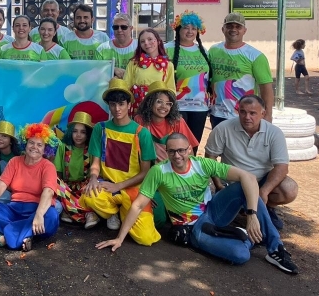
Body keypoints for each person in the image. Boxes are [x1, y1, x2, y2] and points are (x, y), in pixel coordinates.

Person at [96, 133, 299, 275]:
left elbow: (247, 177)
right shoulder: (159, 172)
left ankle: (275, 249)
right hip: (193, 226)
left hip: (213, 211)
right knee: (241, 255)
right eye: (172, 151)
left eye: (182, 151)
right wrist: (120, 238)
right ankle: (240, 237)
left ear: (190, 150)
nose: (177, 156)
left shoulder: (202, 164)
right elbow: (138, 205)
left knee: (243, 186)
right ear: (166, 152)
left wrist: (252, 215)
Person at [80, 78, 159, 245]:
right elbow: (95, 163)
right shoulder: (100, 129)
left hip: (132, 189)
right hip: (107, 185)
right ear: (108, 105)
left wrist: (120, 186)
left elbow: (145, 172)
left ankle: (124, 212)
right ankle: (114, 212)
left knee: (145, 238)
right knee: (89, 195)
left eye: (121, 104)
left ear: (129, 105)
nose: (117, 109)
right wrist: (93, 178)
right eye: (113, 104)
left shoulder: (141, 133)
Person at [205, 95, 297, 231]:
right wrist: (218, 184)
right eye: (243, 112)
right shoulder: (223, 129)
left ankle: (266, 207)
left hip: (262, 180)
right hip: (234, 182)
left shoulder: (274, 133)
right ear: (238, 111)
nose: (247, 117)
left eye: (252, 113)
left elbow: (282, 167)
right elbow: (210, 158)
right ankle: (246, 208)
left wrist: (264, 191)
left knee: (289, 189)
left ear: (263, 113)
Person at [0, 123, 60, 251]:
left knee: (51, 216)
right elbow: (1, 184)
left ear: (46, 149)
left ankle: (6, 238)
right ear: (25, 143)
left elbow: (48, 191)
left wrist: (39, 215)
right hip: (14, 209)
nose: (34, 147)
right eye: (31, 143)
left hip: (37, 209)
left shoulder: (48, 166)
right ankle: (27, 234)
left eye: (40, 145)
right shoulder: (14, 161)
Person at [208, 13, 274, 126]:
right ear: (223, 29)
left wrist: (268, 115)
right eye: (229, 26)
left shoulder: (255, 56)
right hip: (217, 114)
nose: (233, 29)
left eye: (238, 26)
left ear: (244, 30)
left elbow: (266, 88)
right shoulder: (213, 51)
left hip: (244, 116)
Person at [165, 11, 211, 152]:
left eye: (193, 28)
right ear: (178, 29)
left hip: (200, 107)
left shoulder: (203, 51)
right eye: (186, 27)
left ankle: (191, 173)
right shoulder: (167, 49)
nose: (190, 31)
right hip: (178, 106)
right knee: (177, 146)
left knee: (194, 146)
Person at [134, 81, 200, 163]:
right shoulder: (140, 120)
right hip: (149, 169)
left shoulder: (177, 122)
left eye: (168, 103)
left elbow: (189, 152)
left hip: (174, 168)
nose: (164, 106)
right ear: (149, 103)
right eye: (159, 102)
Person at [54, 113, 98, 228]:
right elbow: (57, 173)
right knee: (53, 181)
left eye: (83, 132)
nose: (78, 135)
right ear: (70, 132)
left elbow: (96, 173)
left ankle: (69, 211)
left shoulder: (93, 149)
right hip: (67, 188)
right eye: (75, 131)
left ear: (88, 134)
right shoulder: (63, 146)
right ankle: (88, 214)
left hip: (84, 188)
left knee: (95, 187)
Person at [125, 28, 175, 115]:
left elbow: (171, 90)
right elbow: (126, 86)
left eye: (150, 39)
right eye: (142, 41)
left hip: (159, 110)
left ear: (158, 41)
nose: (146, 43)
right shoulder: (134, 63)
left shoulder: (168, 65)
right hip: (138, 107)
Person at [0, 121, 21, 203]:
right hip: (3, 189)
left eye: (4, 136)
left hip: (20, 190)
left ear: (11, 141)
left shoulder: (21, 155)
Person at [96, 13, 137, 78]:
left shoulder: (139, 47)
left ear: (131, 29)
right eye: (116, 27)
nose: (119, 30)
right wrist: (112, 69)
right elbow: (96, 70)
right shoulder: (102, 49)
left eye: (123, 27)